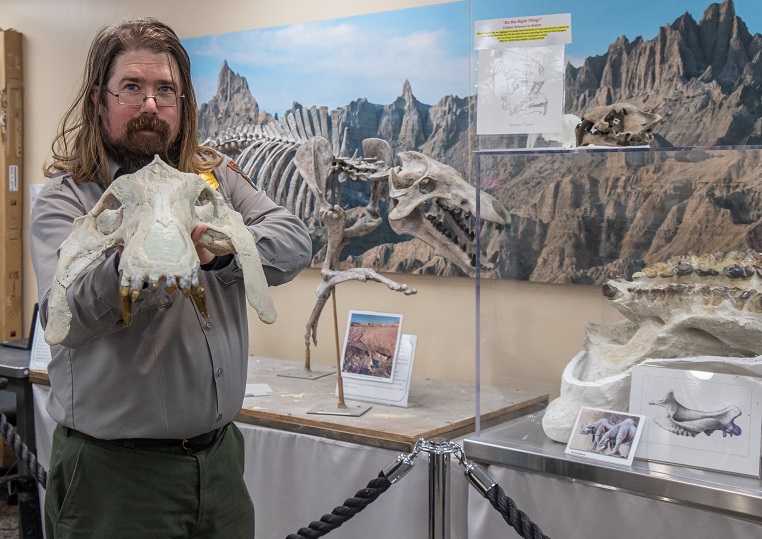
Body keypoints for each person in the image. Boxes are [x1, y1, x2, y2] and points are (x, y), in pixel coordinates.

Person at [29, 17, 312, 538]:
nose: (151, 105)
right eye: (132, 88)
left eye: (165, 90)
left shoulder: (216, 179)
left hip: (220, 467)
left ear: (183, 103)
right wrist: (134, 252)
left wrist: (221, 250)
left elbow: (294, 240)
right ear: (99, 99)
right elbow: (62, 315)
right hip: (117, 483)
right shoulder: (64, 202)